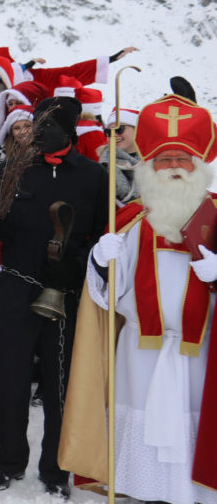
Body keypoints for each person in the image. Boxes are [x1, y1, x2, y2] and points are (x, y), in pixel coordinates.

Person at [61, 94, 217, 503]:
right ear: (149, 167)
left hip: (200, 354)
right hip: (139, 352)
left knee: (195, 426)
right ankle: (142, 491)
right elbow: (106, 298)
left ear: (199, 167)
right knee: (140, 424)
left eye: (182, 160)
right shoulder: (130, 222)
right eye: (163, 161)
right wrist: (100, 260)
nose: (173, 169)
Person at [0, 95, 109, 497]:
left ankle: (55, 468)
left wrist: (80, 261)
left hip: (65, 291)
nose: (37, 132)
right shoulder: (15, 168)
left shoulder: (93, 176)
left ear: (69, 130)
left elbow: (105, 235)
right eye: (34, 123)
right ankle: (8, 461)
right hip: (16, 285)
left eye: (47, 125)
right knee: (11, 378)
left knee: (59, 381)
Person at [100, 107, 140, 204]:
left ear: (137, 129)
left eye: (119, 129)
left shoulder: (155, 163)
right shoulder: (101, 166)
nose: (114, 135)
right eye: (109, 132)